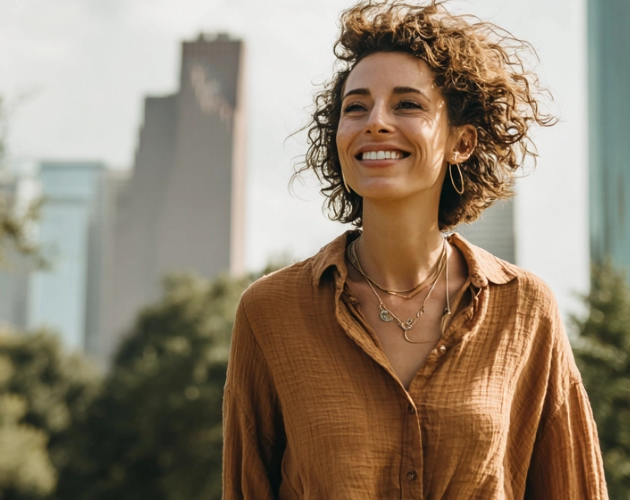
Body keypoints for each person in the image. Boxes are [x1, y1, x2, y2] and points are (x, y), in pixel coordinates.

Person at [221, 1, 608, 498]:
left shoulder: (526, 308)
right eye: (355, 107)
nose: (375, 121)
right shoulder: (270, 311)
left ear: (462, 142)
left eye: (407, 104)